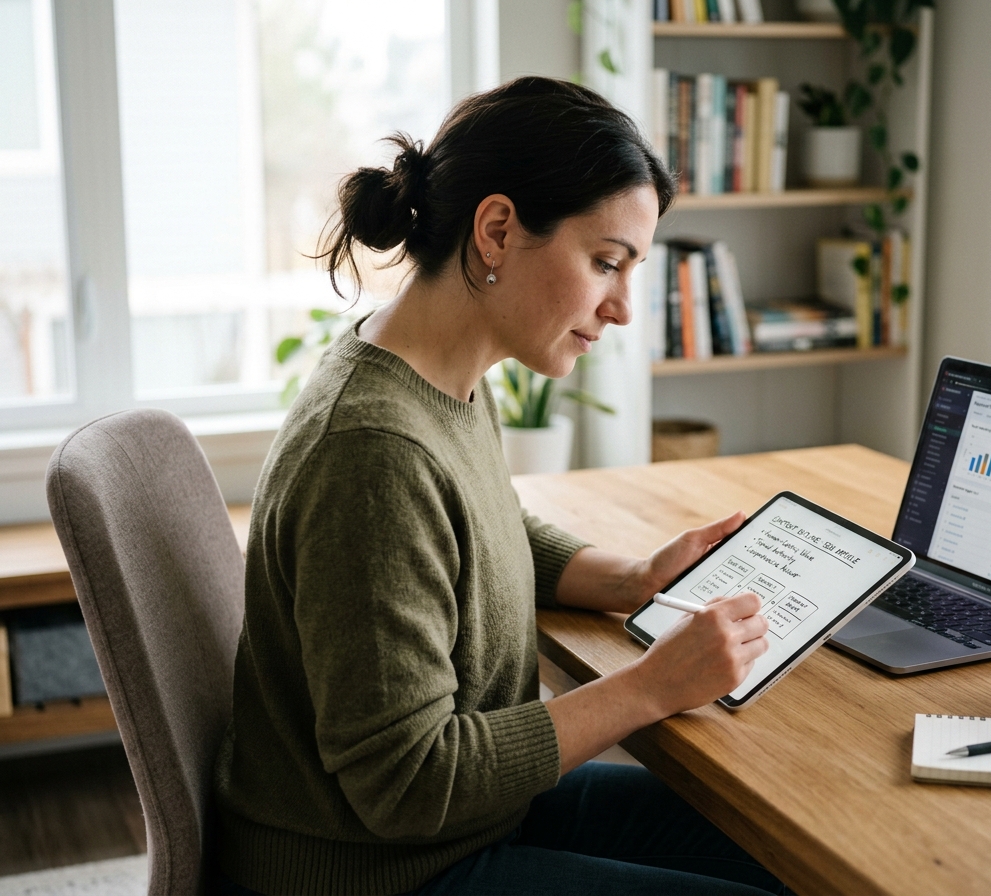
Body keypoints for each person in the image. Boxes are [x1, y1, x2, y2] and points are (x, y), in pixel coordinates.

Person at [214, 76, 781, 896]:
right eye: (604, 263)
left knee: (768, 849)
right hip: (378, 868)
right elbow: (408, 784)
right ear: (497, 230)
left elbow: (481, 526)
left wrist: (632, 578)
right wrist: (653, 686)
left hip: (468, 820)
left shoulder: (433, 374)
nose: (622, 307)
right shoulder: (375, 453)